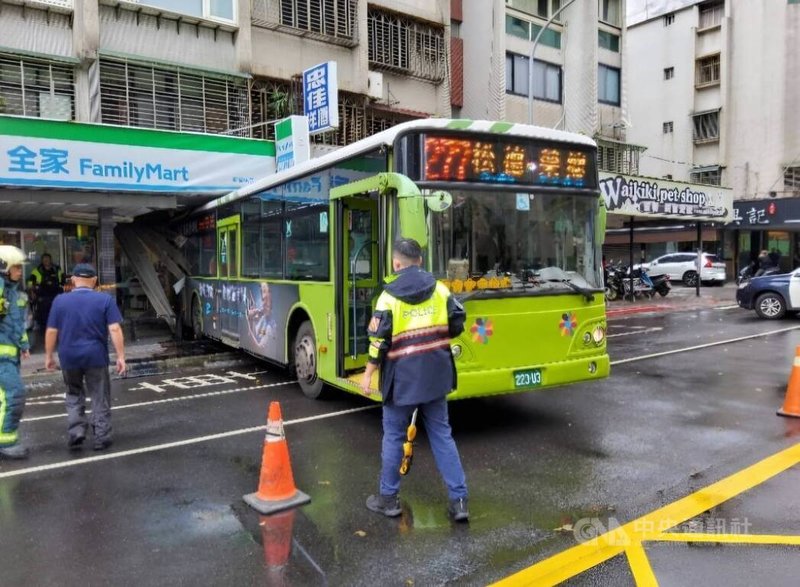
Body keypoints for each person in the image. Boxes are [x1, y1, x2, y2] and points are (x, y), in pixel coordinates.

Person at [360, 238, 469, 521]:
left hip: (402, 380)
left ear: (396, 263)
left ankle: (388, 499)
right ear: (419, 261)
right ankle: (459, 502)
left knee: (394, 436)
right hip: (436, 376)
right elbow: (458, 321)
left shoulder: (388, 297)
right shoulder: (440, 290)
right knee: (442, 435)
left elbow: (378, 341)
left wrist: (369, 374)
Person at [44, 263, 126, 451]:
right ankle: (102, 436)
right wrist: (121, 356)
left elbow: (51, 331)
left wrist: (49, 356)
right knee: (99, 395)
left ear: (73, 280)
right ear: (95, 280)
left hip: (69, 356)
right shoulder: (105, 300)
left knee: (73, 393)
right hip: (95, 356)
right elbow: (114, 328)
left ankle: (77, 432)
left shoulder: (59, 301)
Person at [0, 246, 32, 459]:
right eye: (17, 267)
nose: (21, 272)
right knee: (15, 394)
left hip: (11, 357)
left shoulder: (16, 294)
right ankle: (6, 442)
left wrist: (24, 345)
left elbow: (18, 324)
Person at [26, 253, 64, 335]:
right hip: (42, 297)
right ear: (42, 260)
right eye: (44, 259)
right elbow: (30, 284)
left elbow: (63, 282)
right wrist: (31, 292)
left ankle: (56, 330)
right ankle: (44, 332)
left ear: (51, 260)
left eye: (47, 259)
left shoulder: (57, 270)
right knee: (43, 316)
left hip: (56, 296)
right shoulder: (37, 271)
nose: (46, 260)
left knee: (57, 314)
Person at [247, 282, 277, 352]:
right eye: (263, 299)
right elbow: (255, 334)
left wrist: (248, 320)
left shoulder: (272, 327)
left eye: (266, 299)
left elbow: (259, 349)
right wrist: (251, 320)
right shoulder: (263, 318)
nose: (263, 303)